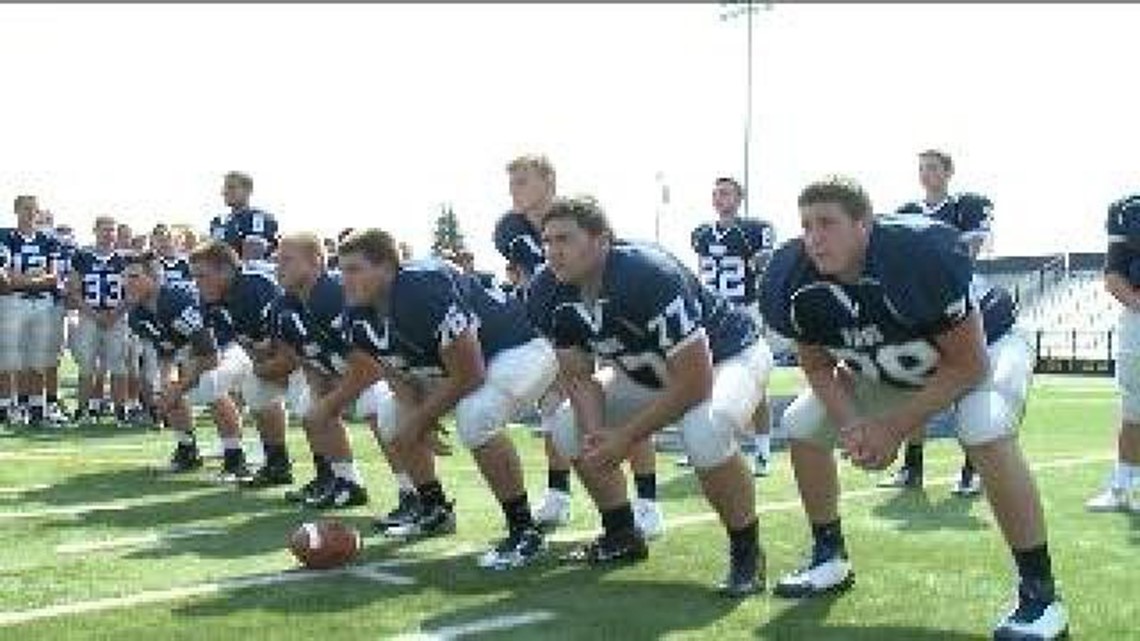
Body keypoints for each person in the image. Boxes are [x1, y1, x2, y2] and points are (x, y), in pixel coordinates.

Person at [762, 176, 1067, 639]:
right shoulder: (793, 279)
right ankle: (829, 556)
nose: (814, 238)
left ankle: (1040, 594)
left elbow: (968, 366)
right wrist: (852, 427)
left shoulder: (915, 254)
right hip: (892, 366)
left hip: (988, 349)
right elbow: (820, 368)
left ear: (864, 225)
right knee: (801, 424)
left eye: (827, 223)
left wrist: (893, 429)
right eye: (806, 225)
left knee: (982, 426)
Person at [528, 196, 769, 595]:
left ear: (601, 240)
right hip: (647, 371)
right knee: (569, 427)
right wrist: (597, 435)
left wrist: (626, 436)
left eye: (565, 239)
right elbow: (578, 376)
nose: (553, 251)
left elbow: (695, 380)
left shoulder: (646, 273)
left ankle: (746, 551)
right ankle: (621, 533)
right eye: (547, 240)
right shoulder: (546, 291)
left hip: (728, 356)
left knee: (705, 430)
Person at [329, 228, 556, 569]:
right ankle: (433, 507)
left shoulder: (422, 287)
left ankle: (525, 530)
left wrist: (421, 421)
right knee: (391, 414)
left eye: (354, 269)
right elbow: (394, 370)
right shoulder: (357, 314)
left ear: (388, 267)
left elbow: (471, 373)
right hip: (465, 364)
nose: (344, 279)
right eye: (341, 269)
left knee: (476, 416)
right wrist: (417, 417)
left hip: (518, 347)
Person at [493, 154, 664, 538]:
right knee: (555, 409)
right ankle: (559, 493)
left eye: (522, 180)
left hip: (602, 318)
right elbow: (526, 280)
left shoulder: (578, 216)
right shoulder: (511, 230)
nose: (513, 190)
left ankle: (647, 501)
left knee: (625, 403)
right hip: (556, 322)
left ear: (548, 180)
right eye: (512, 181)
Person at [887, 149, 995, 496]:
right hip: (920, 308)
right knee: (916, 387)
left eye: (932, 167)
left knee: (965, 388)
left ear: (949, 172)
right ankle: (912, 466)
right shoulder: (905, 212)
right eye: (921, 168)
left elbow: (970, 250)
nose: (925, 173)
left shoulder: (968, 205)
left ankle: (971, 469)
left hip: (958, 305)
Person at [188, 240, 295, 484]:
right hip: (265, 354)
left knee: (311, 409)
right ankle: (277, 464)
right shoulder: (211, 299)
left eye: (202, 275)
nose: (197, 282)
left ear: (226, 269)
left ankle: (339, 476)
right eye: (195, 276)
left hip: (303, 354)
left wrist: (268, 360)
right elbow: (216, 349)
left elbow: (286, 338)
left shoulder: (257, 286)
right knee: (256, 388)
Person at [690, 176, 776, 476]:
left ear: (739, 199)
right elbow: (702, 273)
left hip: (745, 309)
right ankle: (708, 442)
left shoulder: (753, 229)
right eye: (715, 193)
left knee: (754, 381)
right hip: (712, 313)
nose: (719, 198)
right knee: (703, 378)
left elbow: (766, 267)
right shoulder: (701, 233)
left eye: (725, 193)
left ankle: (763, 450)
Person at [1088, 193, 1140, 513]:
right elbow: (1113, 273)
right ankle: (1122, 486)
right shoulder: (1129, 208)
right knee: (1134, 408)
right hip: (1138, 315)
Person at [0, 196, 60, 428]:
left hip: (42, 304)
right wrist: (36, 280)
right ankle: (6, 408)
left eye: (34, 210)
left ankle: (37, 408)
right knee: (8, 359)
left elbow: (54, 277)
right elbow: (4, 277)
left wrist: (23, 280)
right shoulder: (5, 237)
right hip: (12, 302)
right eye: (26, 209)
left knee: (38, 359)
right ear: (16, 210)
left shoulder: (47, 239)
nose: (30, 214)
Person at [68, 216, 131, 423]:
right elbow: (74, 291)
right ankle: (82, 410)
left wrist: (115, 314)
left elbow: (131, 293)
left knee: (118, 365)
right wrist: (94, 314)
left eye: (112, 230)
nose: (109, 234)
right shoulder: (82, 257)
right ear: (95, 231)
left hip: (117, 317)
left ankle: (120, 410)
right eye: (105, 230)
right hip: (89, 316)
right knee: (86, 365)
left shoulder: (125, 259)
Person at [213, 171, 280, 262]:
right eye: (224, 188)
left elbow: (253, 253)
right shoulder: (218, 221)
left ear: (248, 191)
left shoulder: (257, 218)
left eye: (231, 187)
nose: (226, 192)